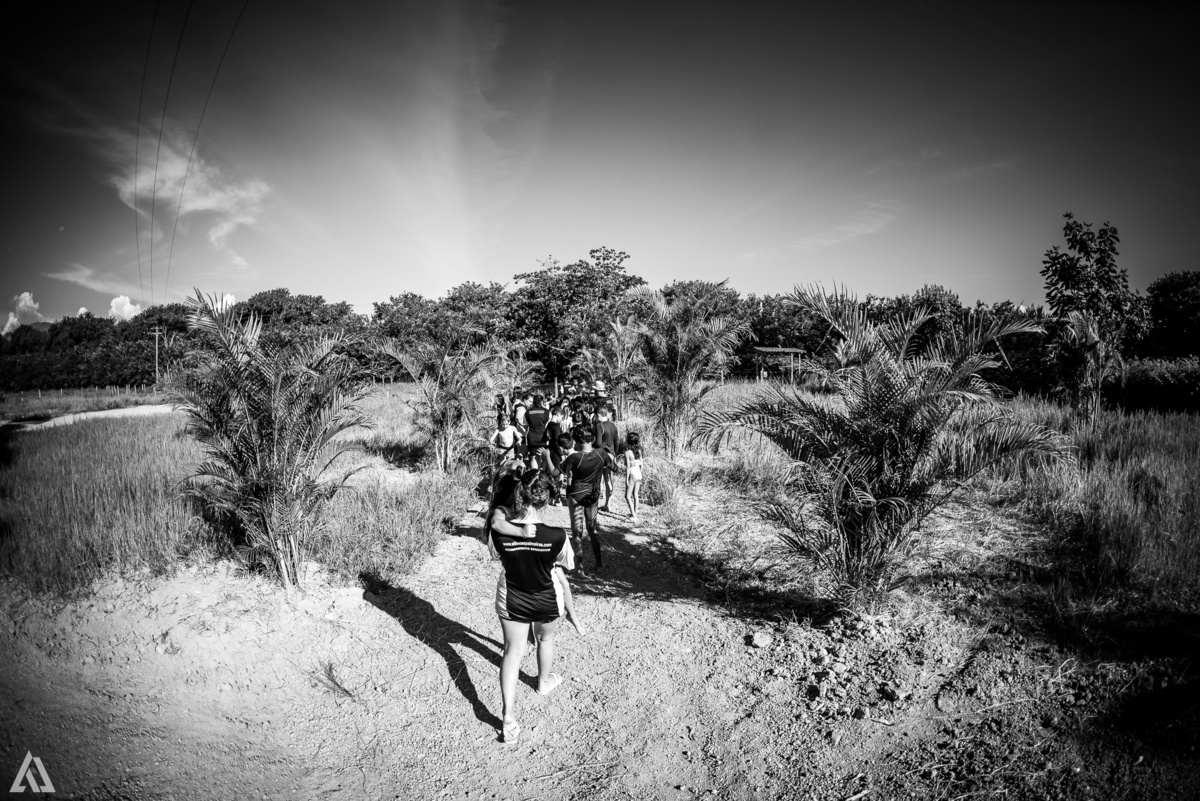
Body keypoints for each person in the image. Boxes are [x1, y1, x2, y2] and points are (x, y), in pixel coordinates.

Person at [489, 472, 577, 743]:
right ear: (546, 499)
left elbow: (495, 554)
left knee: (512, 652)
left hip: (512, 596)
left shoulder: (499, 529)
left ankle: (508, 718)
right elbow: (565, 564)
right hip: (546, 598)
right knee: (545, 639)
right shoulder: (558, 535)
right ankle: (543, 682)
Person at [540, 426, 612, 575]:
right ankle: (599, 565)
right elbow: (614, 467)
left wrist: (547, 456)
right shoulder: (601, 454)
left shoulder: (574, 458)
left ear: (577, 442)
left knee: (577, 533)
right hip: (593, 496)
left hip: (576, 496)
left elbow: (554, 473)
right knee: (593, 530)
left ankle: (579, 569)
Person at [592, 404, 620, 512]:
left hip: (600, 455)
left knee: (598, 480)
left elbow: (598, 443)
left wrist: (592, 446)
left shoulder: (599, 426)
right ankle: (608, 504)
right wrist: (614, 454)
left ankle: (595, 504)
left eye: (595, 416)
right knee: (608, 480)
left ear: (598, 415)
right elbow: (617, 442)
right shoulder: (613, 425)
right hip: (611, 455)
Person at [523, 394, 551, 471]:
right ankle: (543, 473)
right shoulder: (547, 412)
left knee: (533, 457)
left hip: (532, 437)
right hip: (543, 437)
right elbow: (549, 424)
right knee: (544, 456)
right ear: (541, 401)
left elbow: (525, 425)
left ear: (533, 402)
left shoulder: (527, 412)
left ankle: (534, 474)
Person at [622, 432, 644, 524]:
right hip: (638, 473)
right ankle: (635, 513)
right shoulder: (639, 451)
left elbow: (628, 467)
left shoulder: (627, 453)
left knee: (627, 496)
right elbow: (642, 463)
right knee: (635, 494)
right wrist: (640, 473)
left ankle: (634, 517)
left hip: (632, 474)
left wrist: (626, 479)